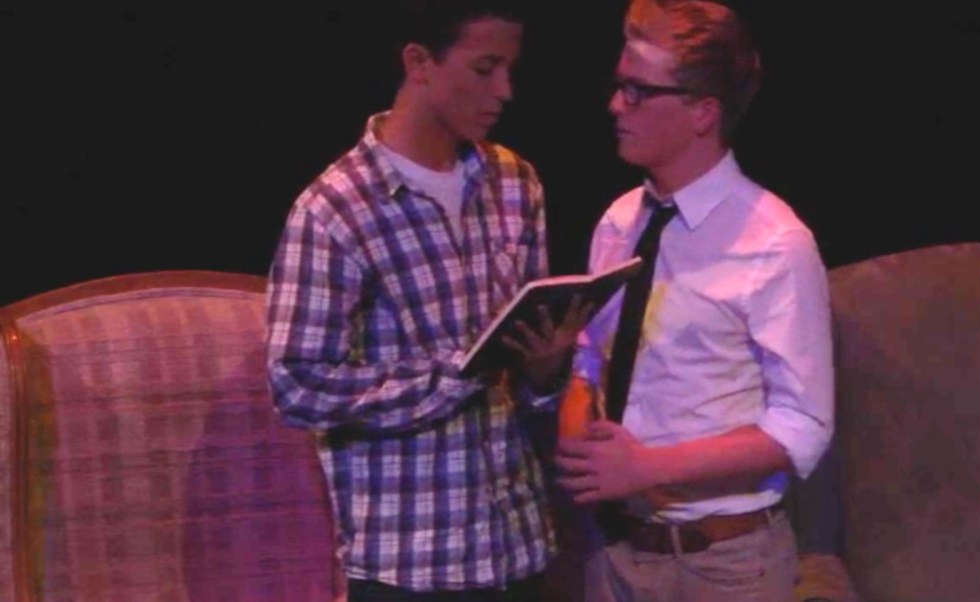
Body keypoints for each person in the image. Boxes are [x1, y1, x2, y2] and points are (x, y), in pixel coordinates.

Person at [264, 2, 586, 600]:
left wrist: (545, 370)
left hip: (516, 542)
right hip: (410, 560)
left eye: (510, 69)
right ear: (419, 62)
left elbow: (528, 379)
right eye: (485, 68)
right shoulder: (336, 209)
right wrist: (455, 377)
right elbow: (298, 384)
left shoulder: (514, 182)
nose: (504, 90)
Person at [555, 0, 835, 600]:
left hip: (722, 563)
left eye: (638, 91)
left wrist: (649, 468)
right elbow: (591, 358)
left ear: (702, 112)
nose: (616, 105)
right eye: (618, 86)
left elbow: (803, 425)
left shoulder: (773, 242)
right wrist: (579, 438)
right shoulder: (619, 222)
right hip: (615, 549)